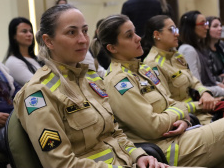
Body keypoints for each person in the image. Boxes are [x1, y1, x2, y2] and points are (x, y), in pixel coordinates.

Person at [13, 4, 169, 168]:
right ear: (49, 41)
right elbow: (61, 164)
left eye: (85, 31)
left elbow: (114, 133)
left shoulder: (90, 79)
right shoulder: (38, 93)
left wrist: (139, 156)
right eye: (72, 32)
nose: (83, 39)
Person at [95, 14, 224, 167]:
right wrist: (181, 114)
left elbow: (171, 101)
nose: (138, 38)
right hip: (166, 150)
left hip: (183, 133)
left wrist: (184, 120)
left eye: (135, 32)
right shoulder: (119, 81)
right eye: (129, 36)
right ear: (112, 48)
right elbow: (153, 127)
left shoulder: (143, 69)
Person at [142, 15, 217, 125]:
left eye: (176, 29)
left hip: (200, 111)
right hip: (184, 117)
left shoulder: (175, 54)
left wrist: (205, 93)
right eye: (171, 30)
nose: (177, 34)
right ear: (157, 34)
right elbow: (166, 103)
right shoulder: (153, 64)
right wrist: (201, 104)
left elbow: (191, 78)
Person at [178, 11, 224, 97]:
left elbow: (207, 80)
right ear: (191, 27)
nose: (207, 27)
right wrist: (220, 89)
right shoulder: (188, 50)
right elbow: (196, 87)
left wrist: (217, 84)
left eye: (206, 23)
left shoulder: (199, 48)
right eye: (202, 24)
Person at [4, 17, 42, 86]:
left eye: (30, 31)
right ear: (14, 36)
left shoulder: (38, 58)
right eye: (24, 31)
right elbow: (38, 85)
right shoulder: (13, 62)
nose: (29, 34)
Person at [204, 16, 224, 83]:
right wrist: (220, 78)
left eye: (220, 26)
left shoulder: (221, 45)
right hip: (215, 85)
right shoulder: (203, 50)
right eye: (215, 26)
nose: (220, 28)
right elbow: (206, 77)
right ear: (206, 29)